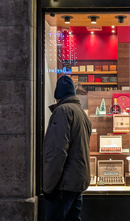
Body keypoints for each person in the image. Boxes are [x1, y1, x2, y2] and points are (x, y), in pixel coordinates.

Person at [43, 75, 92, 221]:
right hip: (77, 182)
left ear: (58, 95)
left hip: (63, 185)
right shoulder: (81, 113)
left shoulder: (62, 111)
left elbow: (57, 152)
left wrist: (48, 187)